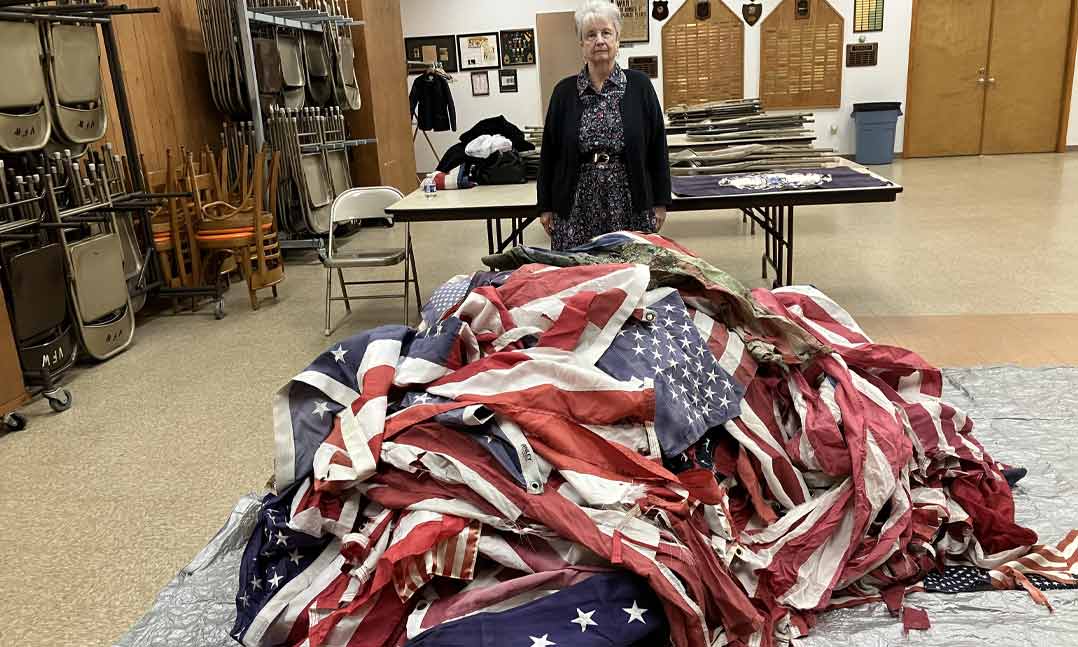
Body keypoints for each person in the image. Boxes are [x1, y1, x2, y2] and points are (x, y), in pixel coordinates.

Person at [537, 0, 671, 251]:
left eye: (606, 33)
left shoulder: (640, 86)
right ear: (581, 44)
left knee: (629, 272)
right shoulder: (563, 93)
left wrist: (660, 201)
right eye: (590, 35)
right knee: (578, 276)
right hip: (576, 204)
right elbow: (549, 154)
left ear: (617, 39)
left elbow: (657, 147)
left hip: (629, 200)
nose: (599, 40)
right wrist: (545, 205)